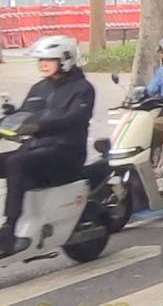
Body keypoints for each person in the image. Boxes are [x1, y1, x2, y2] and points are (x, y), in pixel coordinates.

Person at [0, 36, 94, 255]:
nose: (43, 64)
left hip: (65, 153)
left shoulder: (82, 89)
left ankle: (9, 229)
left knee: (17, 163)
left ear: (65, 60)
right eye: (41, 60)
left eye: (49, 60)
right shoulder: (39, 88)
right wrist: (10, 120)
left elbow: (74, 120)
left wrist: (37, 127)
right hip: (35, 150)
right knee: (15, 160)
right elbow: (25, 116)